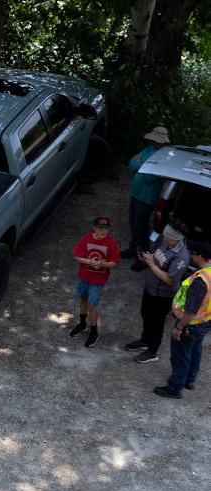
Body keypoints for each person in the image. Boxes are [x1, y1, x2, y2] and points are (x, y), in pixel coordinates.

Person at [125, 225, 192, 363]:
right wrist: (147, 258)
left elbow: (170, 280)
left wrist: (151, 264)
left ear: (176, 239)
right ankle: (145, 340)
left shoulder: (181, 257)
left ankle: (152, 351)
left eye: (167, 237)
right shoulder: (166, 244)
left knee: (157, 322)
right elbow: (157, 257)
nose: (164, 239)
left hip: (163, 295)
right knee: (145, 314)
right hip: (150, 288)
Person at [154, 241, 211, 399]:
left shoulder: (201, 281)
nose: (191, 256)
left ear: (200, 256)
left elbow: (190, 311)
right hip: (205, 323)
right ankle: (189, 380)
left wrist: (179, 327)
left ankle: (175, 387)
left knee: (181, 356)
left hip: (190, 325)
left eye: (193, 254)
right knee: (195, 350)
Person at [69, 217, 122, 347]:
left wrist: (102, 264)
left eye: (106, 228)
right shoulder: (86, 239)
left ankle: (94, 331)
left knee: (92, 305)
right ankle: (82, 324)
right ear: (94, 228)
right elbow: (76, 254)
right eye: (100, 228)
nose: (103, 231)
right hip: (84, 277)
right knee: (83, 299)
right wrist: (89, 262)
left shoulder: (111, 243)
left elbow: (115, 261)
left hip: (98, 280)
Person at [124, 126, 170, 264]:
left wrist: (140, 165)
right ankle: (133, 249)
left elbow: (151, 178)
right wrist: (144, 167)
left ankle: (143, 257)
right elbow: (132, 162)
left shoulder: (165, 155)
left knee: (141, 226)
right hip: (136, 191)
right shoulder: (149, 149)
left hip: (147, 197)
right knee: (133, 222)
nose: (153, 142)